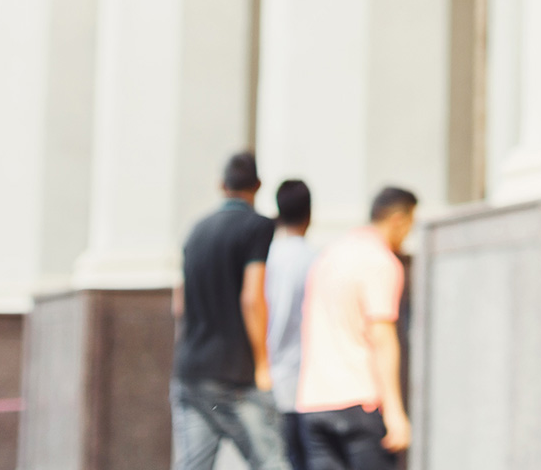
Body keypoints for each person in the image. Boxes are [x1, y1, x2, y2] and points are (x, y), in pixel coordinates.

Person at [171, 153, 290, 470]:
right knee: (271, 462)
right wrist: (263, 364)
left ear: (221, 185)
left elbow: (178, 303)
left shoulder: (196, 230)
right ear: (258, 185)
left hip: (190, 370)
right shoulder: (258, 226)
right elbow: (252, 296)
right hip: (234, 375)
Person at [294, 187, 416, 470]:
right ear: (398, 218)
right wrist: (395, 413)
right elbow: (382, 337)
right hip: (359, 402)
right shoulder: (380, 261)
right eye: (410, 224)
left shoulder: (328, 255)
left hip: (314, 402)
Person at [266, 180, 316, 470]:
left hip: (264, 379)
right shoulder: (314, 259)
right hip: (303, 380)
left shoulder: (264, 259)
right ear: (310, 214)